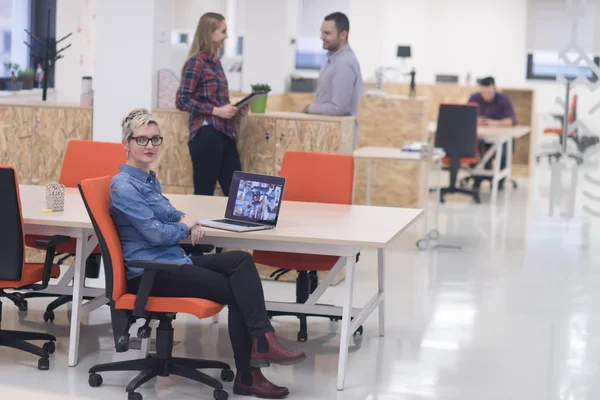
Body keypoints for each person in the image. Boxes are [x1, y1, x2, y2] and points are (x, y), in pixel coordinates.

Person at [110, 108, 305, 398]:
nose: (149, 146)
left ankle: (263, 341)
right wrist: (184, 228)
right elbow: (154, 233)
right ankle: (250, 373)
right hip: (151, 272)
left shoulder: (148, 180)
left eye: (155, 139)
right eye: (141, 140)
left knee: (241, 260)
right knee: (240, 291)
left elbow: (167, 211)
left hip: (171, 261)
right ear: (126, 143)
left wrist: (185, 218)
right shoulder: (124, 186)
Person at [176, 12, 247, 197]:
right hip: (206, 134)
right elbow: (182, 100)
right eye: (223, 31)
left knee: (237, 195)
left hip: (225, 133)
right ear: (210, 33)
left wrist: (235, 109)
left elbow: (217, 101)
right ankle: (197, 227)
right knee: (204, 193)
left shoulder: (216, 63)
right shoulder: (195, 63)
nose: (227, 36)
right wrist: (215, 110)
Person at [303, 12, 363, 146]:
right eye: (321, 32)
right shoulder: (330, 57)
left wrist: (308, 108)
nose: (322, 37)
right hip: (328, 135)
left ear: (343, 35)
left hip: (338, 138)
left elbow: (338, 108)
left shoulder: (344, 63)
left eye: (327, 33)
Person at [467, 76, 517, 188]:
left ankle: (499, 181)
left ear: (494, 89)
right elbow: (465, 116)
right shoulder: (474, 98)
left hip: (499, 138)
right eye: (483, 93)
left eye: (489, 93)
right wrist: (476, 120)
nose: (486, 96)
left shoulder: (503, 99)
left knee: (503, 148)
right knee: (470, 144)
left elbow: (511, 121)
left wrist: (493, 123)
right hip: (480, 138)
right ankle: (477, 178)